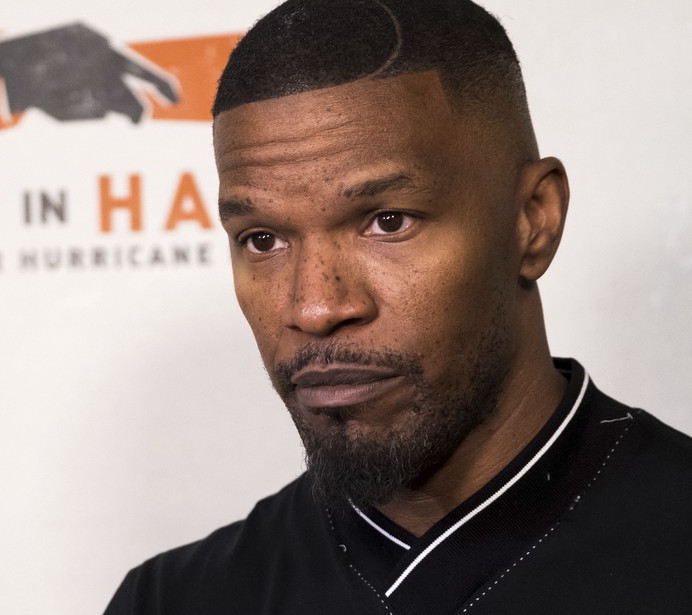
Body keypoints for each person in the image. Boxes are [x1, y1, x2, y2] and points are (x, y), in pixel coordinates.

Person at [104, 0, 692, 613]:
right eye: (263, 240)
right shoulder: (175, 600)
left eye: (388, 222)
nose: (316, 308)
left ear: (532, 221)